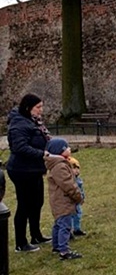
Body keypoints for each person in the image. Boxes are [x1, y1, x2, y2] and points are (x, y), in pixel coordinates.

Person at [6, 93, 52, 252]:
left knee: (37, 202)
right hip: (21, 170)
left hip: (34, 169)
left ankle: (36, 234)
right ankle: (21, 242)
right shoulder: (19, 123)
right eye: (38, 107)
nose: (41, 110)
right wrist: (41, 154)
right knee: (24, 205)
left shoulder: (32, 122)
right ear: (28, 108)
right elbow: (19, 147)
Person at [45, 138, 84, 260]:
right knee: (65, 226)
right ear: (60, 151)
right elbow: (68, 185)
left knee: (58, 223)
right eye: (66, 147)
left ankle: (56, 246)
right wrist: (78, 196)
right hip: (63, 200)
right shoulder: (60, 166)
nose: (69, 149)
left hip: (58, 200)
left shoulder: (59, 164)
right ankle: (64, 250)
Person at [68, 156, 87, 237]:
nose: (76, 171)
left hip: (78, 200)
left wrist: (82, 197)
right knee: (71, 216)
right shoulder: (70, 180)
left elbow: (81, 189)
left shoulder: (78, 179)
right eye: (74, 168)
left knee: (78, 214)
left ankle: (77, 229)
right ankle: (70, 231)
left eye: (78, 168)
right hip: (72, 201)